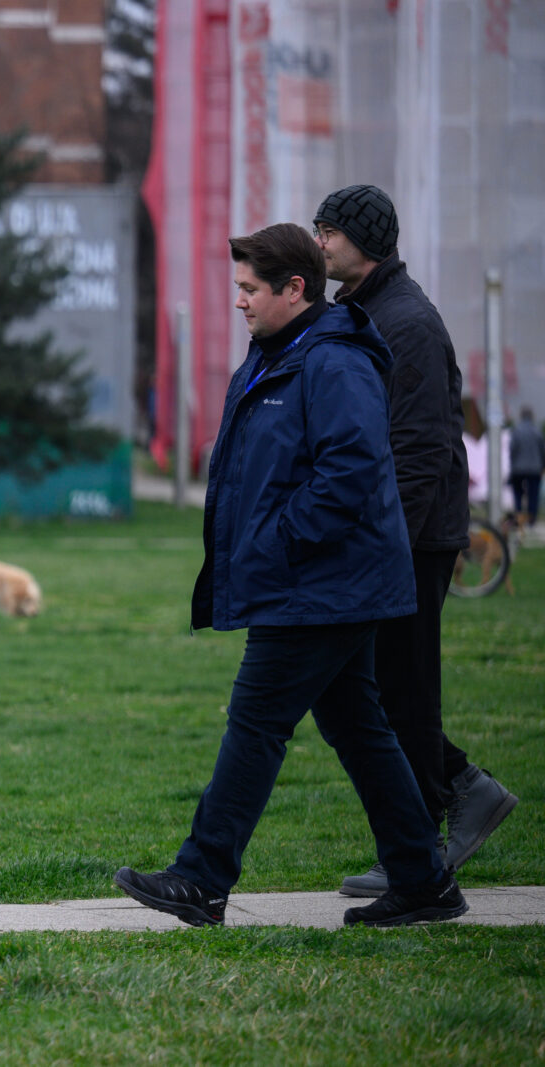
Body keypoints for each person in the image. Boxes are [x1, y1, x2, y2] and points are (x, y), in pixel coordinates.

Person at [114, 223, 464, 928]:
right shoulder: (280, 356)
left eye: (249, 289)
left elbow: (353, 472)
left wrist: (278, 541)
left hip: (323, 582)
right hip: (316, 579)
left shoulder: (333, 363)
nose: (238, 301)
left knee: (256, 720)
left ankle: (203, 875)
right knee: (360, 726)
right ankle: (423, 880)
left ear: (294, 289)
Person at [313, 184, 517, 896]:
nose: (321, 243)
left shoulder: (409, 323)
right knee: (381, 685)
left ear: (364, 240)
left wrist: (384, 545)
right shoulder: (363, 311)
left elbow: (422, 448)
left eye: (330, 231)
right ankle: (462, 790)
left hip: (412, 538)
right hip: (390, 534)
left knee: (402, 688)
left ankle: (418, 851)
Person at [510, 406, 543, 526]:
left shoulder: (516, 431)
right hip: (534, 468)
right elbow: (542, 450)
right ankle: (531, 519)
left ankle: (519, 516)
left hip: (518, 468)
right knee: (533, 495)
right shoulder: (537, 431)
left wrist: (513, 464)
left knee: (518, 493)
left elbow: (512, 449)